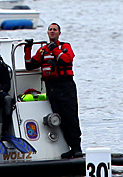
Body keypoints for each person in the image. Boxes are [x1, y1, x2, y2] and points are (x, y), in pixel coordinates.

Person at [25, 23, 82, 159]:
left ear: (59, 33)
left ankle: (76, 147)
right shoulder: (43, 50)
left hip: (65, 86)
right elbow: (29, 65)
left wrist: (55, 49)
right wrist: (27, 49)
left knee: (71, 117)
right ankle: (69, 147)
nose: (52, 32)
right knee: (60, 117)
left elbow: (67, 59)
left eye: (54, 30)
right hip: (51, 87)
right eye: (50, 30)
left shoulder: (65, 47)